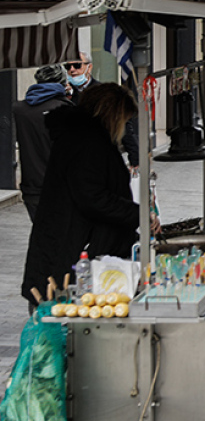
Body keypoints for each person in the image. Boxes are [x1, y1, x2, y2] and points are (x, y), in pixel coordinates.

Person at [22, 83, 157, 307]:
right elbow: (92, 197)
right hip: (71, 256)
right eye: (124, 120)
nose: (124, 128)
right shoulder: (86, 143)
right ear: (112, 115)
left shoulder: (84, 138)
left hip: (72, 247)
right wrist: (139, 214)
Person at [13, 65, 71, 221]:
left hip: (31, 187)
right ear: (62, 82)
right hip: (60, 188)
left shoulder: (19, 110)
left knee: (43, 235)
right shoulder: (65, 110)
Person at [65, 52, 139, 169]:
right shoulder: (65, 95)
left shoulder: (103, 94)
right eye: (68, 67)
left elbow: (125, 129)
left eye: (77, 66)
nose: (72, 70)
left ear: (89, 67)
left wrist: (136, 161)